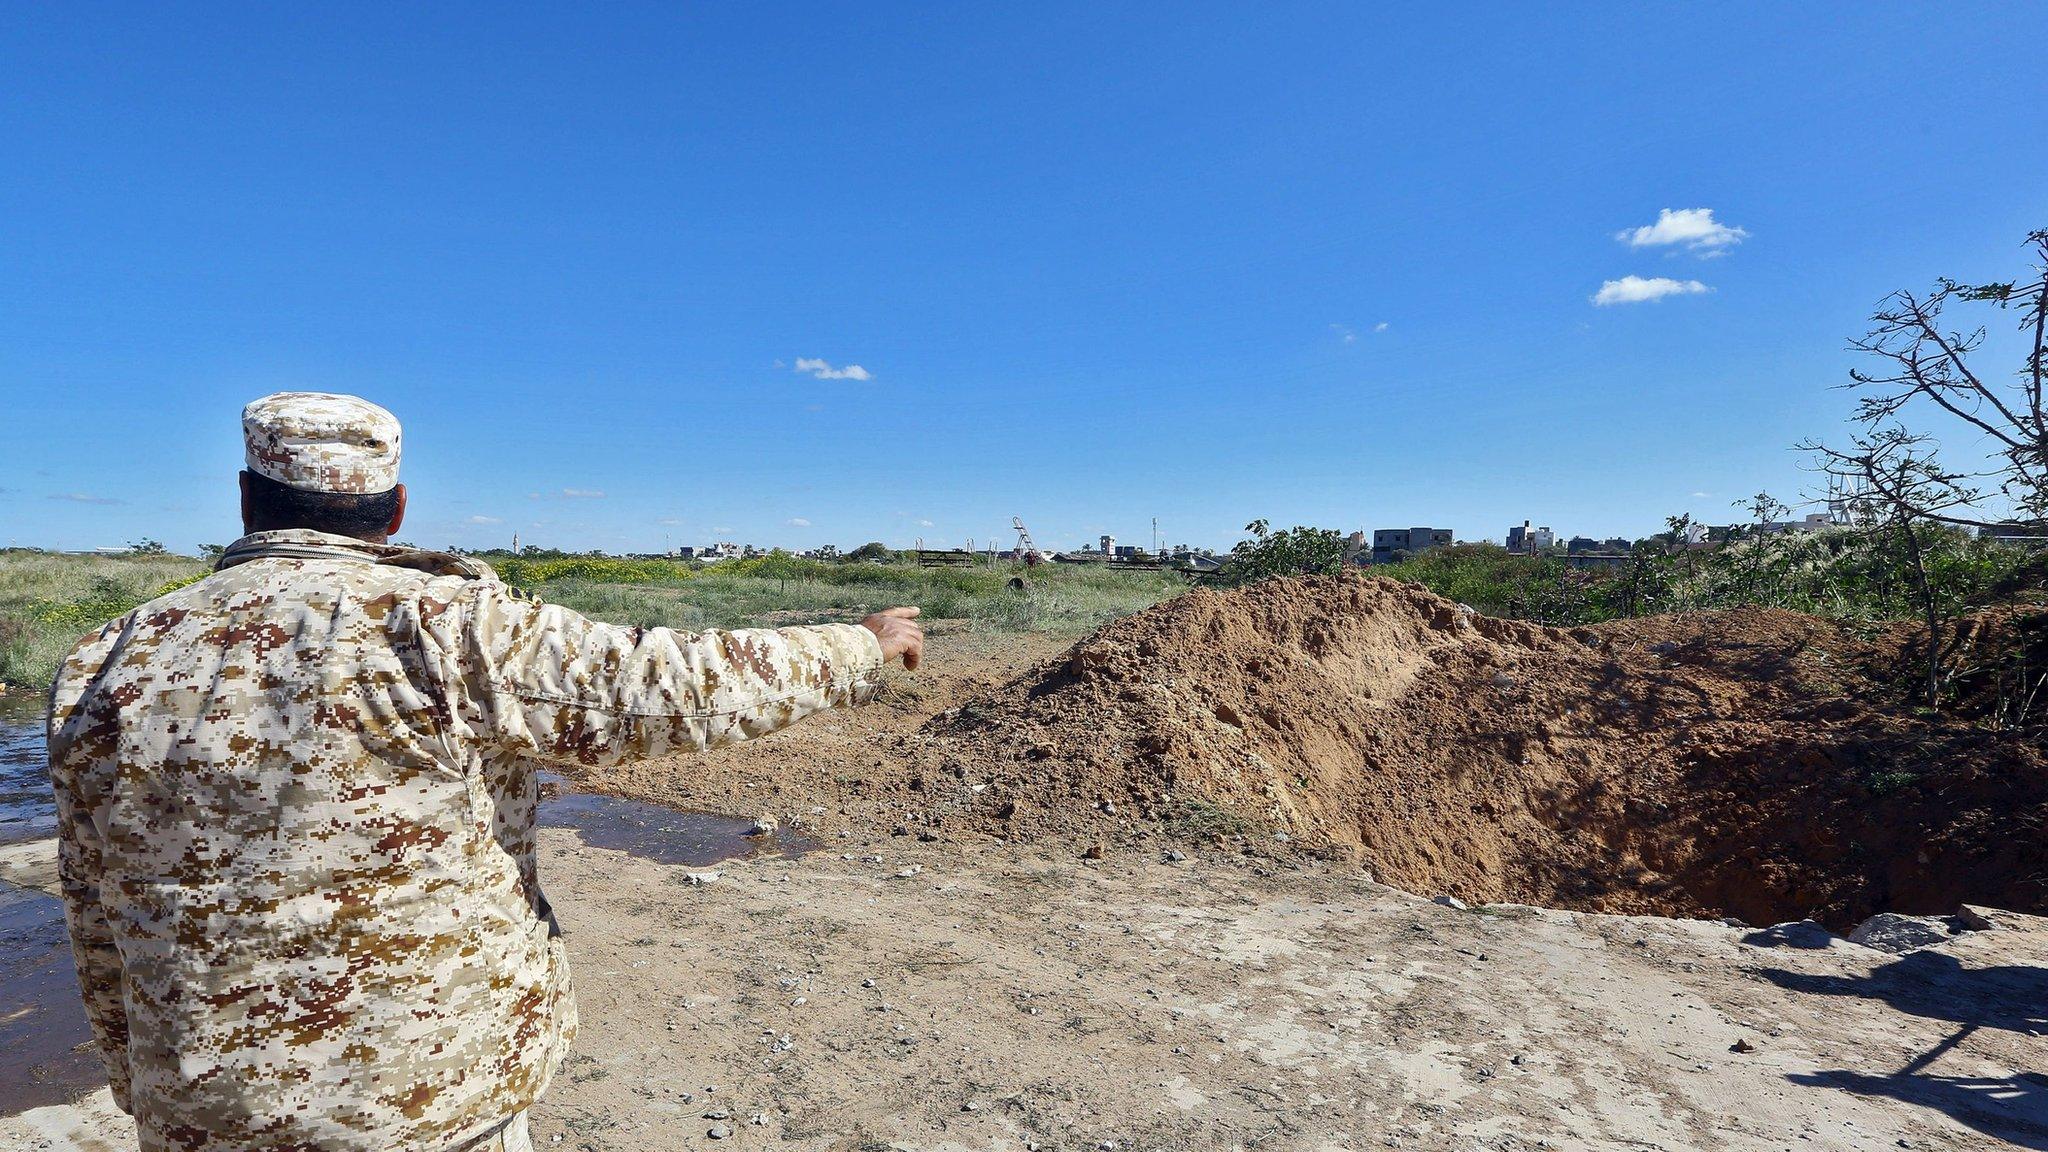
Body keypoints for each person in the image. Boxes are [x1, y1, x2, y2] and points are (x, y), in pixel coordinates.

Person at [46, 392, 923, 1152]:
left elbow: (90, 897)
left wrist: (139, 1071)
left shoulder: (104, 656)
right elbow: (673, 689)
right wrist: (861, 644)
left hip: (204, 1100)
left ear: (248, 499)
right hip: (430, 1094)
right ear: (394, 508)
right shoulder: (445, 624)